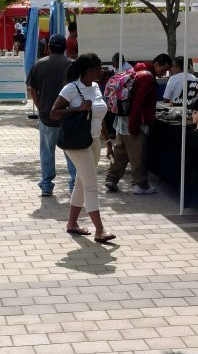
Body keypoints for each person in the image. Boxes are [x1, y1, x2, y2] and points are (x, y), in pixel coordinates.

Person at [50, 53, 115, 243]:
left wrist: (108, 141)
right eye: (98, 68)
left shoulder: (95, 88)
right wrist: (77, 109)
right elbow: (53, 113)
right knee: (91, 185)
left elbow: (98, 117)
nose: (102, 71)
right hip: (76, 143)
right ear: (88, 71)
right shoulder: (71, 88)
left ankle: (72, 224)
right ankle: (100, 229)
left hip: (94, 141)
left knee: (81, 181)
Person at [105, 54, 172, 194]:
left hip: (123, 118)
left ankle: (112, 179)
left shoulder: (136, 71)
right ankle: (140, 184)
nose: (164, 73)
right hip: (135, 121)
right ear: (157, 64)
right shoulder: (147, 77)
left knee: (120, 152)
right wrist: (134, 125)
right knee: (138, 154)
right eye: (164, 69)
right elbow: (138, 103)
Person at [26, 33, 76, 197]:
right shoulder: (72, 65)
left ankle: (47, 185)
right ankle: (74, 184)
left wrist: (40, 106)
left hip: (47, 115)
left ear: (49, 46)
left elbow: (32, 89)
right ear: (65, 47)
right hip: (69, 116)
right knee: (71, 151)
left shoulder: (40, 64)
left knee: (47, 152)